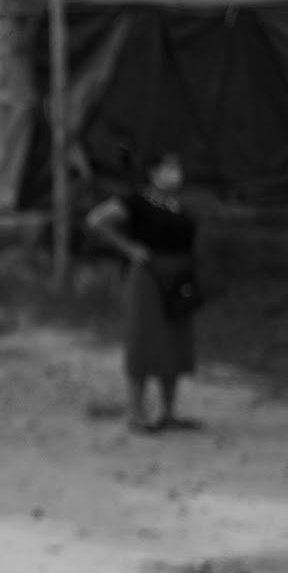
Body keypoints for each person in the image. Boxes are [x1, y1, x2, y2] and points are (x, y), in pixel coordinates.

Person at [85, 151, 200, 434]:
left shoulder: (178, 205)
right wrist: (128, 248)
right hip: (150, 277)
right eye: (168, 167)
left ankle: (169, 412)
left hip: (179, 277)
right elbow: (96, 220)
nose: (174, 173)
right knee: (146, 341)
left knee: (174, 341)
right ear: (153, 171)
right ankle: (136, 413)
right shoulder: (137, 201)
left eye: (177, 167)